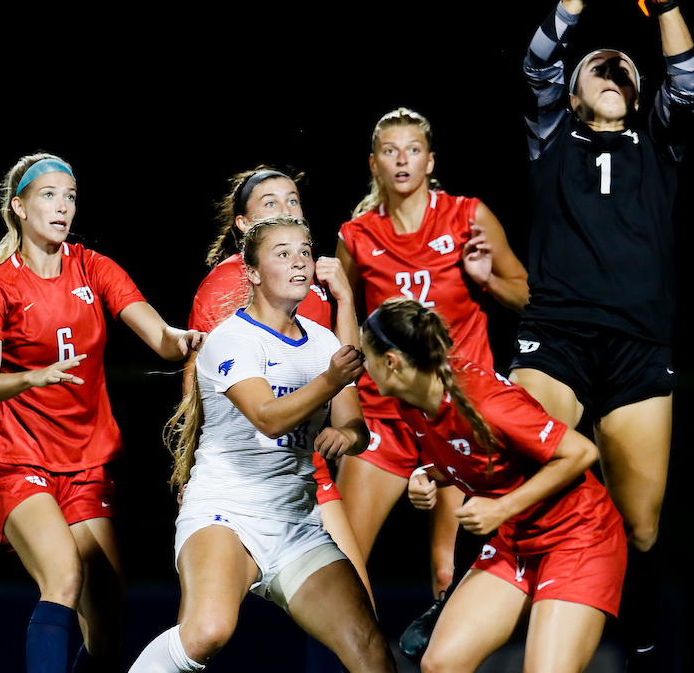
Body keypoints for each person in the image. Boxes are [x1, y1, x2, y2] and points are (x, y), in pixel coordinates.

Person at [509, 0, 694, 670]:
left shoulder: (659, 144)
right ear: (573, 92)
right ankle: (468, 592)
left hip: (639, 346)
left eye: (626, 67)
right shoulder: (550, 135)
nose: (614, 66)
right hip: (555, 337)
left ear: (640, 94)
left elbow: (686, 81)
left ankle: (640, 621)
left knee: (642, 525)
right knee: (524, 477)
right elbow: (534, 63)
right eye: (597, 64)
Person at [0, 152, 204, 673]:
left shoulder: (92, 267)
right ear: (19, 207)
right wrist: (32, 375)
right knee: (63, 576)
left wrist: (184, 340)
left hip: (86, 466)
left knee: (108, 630)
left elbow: (161, 338)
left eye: (70, 196)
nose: (62, 206)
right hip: (19, 462)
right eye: (48, 195)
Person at [132, 215, 396, 673]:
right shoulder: (230, 339)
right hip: (225, 513)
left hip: (295, 524)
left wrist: (345, 434)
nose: (300, 263)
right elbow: (268, 418)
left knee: (370, 649)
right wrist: (331, 379)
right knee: (208, 631)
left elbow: (358, 427)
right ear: (251, 273)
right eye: (283, 253)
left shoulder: (322, 342)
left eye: (305, 252)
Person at [334, 106, 530, 650]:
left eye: (413, 149)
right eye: (391, 151)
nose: (402, 159)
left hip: (456, 415)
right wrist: (342, 396)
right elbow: (343, 323)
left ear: (430, 160)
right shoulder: (355, 237)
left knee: (448, 572)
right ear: (374, 164)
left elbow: (528, 296)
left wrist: (486, 281)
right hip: (385, 416)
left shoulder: (468, 216)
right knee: (342, 564)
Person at [360, 298, 625, 673]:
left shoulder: (486, 401)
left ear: (391, 363)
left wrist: (500, 508)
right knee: (441, 664)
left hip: (578, 538)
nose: (363, 366)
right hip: (516, 542)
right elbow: (474, 454)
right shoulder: (412, 400)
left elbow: (581, 453)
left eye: (367, 355)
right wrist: (427, 474)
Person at [186, 165, 373, 606]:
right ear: (244, 225)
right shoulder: (225, 285)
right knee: (208, 627)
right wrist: (188, 471)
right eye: (270, 204)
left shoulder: (309, 276)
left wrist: (345, 299)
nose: (287, 209)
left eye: (293, 200)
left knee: (355, 608)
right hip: (240, 478)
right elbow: (200, 386)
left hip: (302, 465)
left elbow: (345, 371)